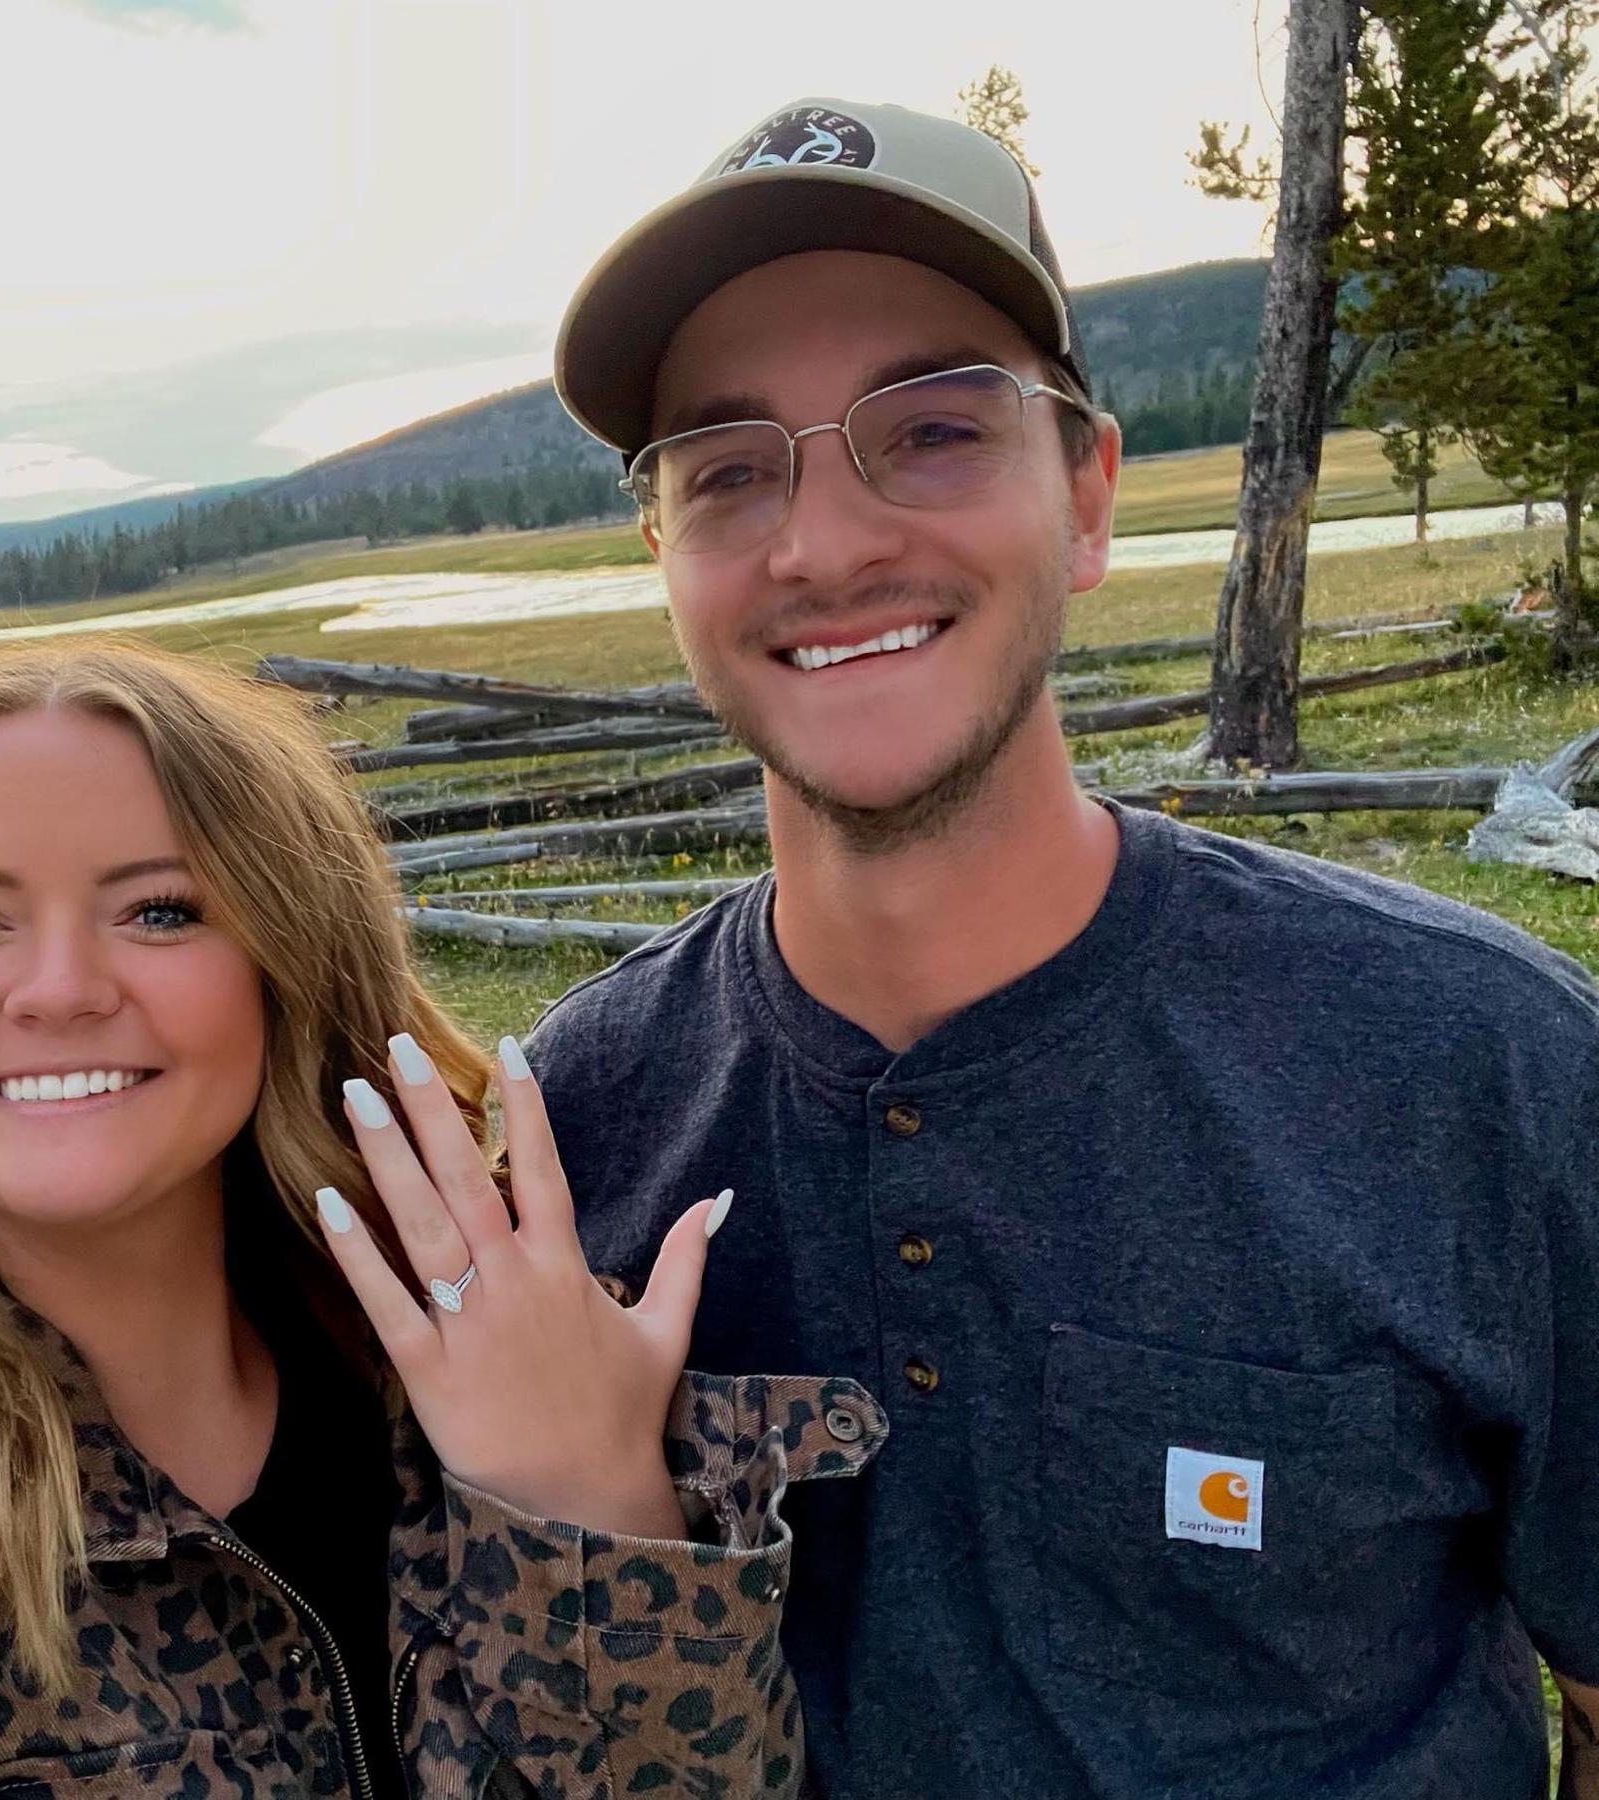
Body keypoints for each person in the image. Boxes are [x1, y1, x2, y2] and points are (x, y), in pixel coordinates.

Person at [526, 96, 1599, 1797]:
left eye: (935, 432)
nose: (825, 543)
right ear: (664, 550)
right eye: (728, 468)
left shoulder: (1484, 1069)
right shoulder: (570, 1133)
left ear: (1088, 497)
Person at [0, 640, 884, 1797]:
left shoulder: (485, 1369)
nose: (59, 989)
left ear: (289, 966)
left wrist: (594, 1514)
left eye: (160, 910)